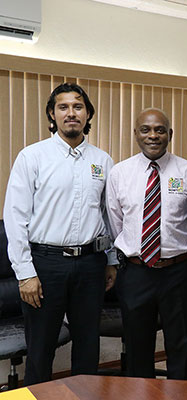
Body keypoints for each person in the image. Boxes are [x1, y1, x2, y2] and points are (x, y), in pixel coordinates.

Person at [3, 82, 117, 384]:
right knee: (40, 349)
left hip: (91, 265)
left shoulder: (103, 161)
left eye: (78, 106)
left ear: (87, 114)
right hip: (45, 264)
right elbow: (15, 217)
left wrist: (111, 260)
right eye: (63, 107)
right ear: (52, 115)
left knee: (88, 345)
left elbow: (109, 217)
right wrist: (25, 272)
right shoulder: (32, 157)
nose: (71, 113)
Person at [106, 108, 187, 379]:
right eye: (146, 130)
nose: (153, 135)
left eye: (160, 130)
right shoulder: (120, 173)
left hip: (179, 272)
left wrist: (178, 252)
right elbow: (117, 224)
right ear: (135, 133)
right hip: (136, 272)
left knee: (180, 345)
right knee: (137, 348)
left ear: (169, 134)